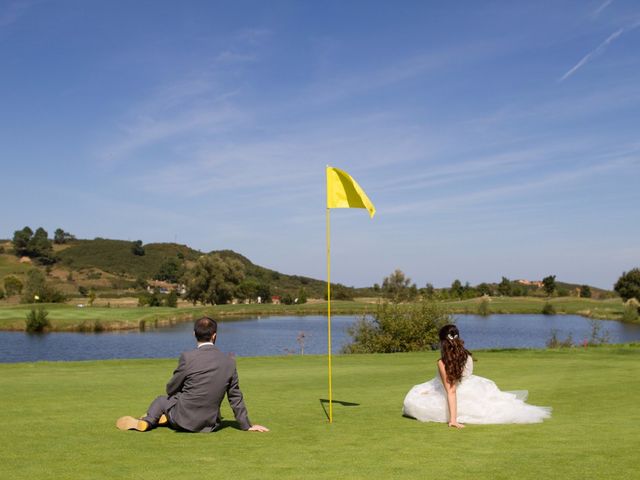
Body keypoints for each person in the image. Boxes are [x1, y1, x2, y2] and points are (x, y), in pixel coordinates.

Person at [116, 316, 269, 433]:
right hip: (210, 425)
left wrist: (179, 393)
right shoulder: (229, 361)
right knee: (179, 401)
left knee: (162, 400)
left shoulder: (187, 357)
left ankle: (149, 420)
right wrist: (247, 425)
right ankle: (163, 417)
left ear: (194, 334)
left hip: (182, 420)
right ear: (214, 335)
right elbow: (235, 396)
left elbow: (171, 388)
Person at [403, 324, 551, 428]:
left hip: (455, 392)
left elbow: (451, 390)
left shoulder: (442, 362)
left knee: (413, 402)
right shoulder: (467, 356)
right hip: (473, 386)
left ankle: (453, 416)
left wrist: (453, 420)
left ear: (442, 342)